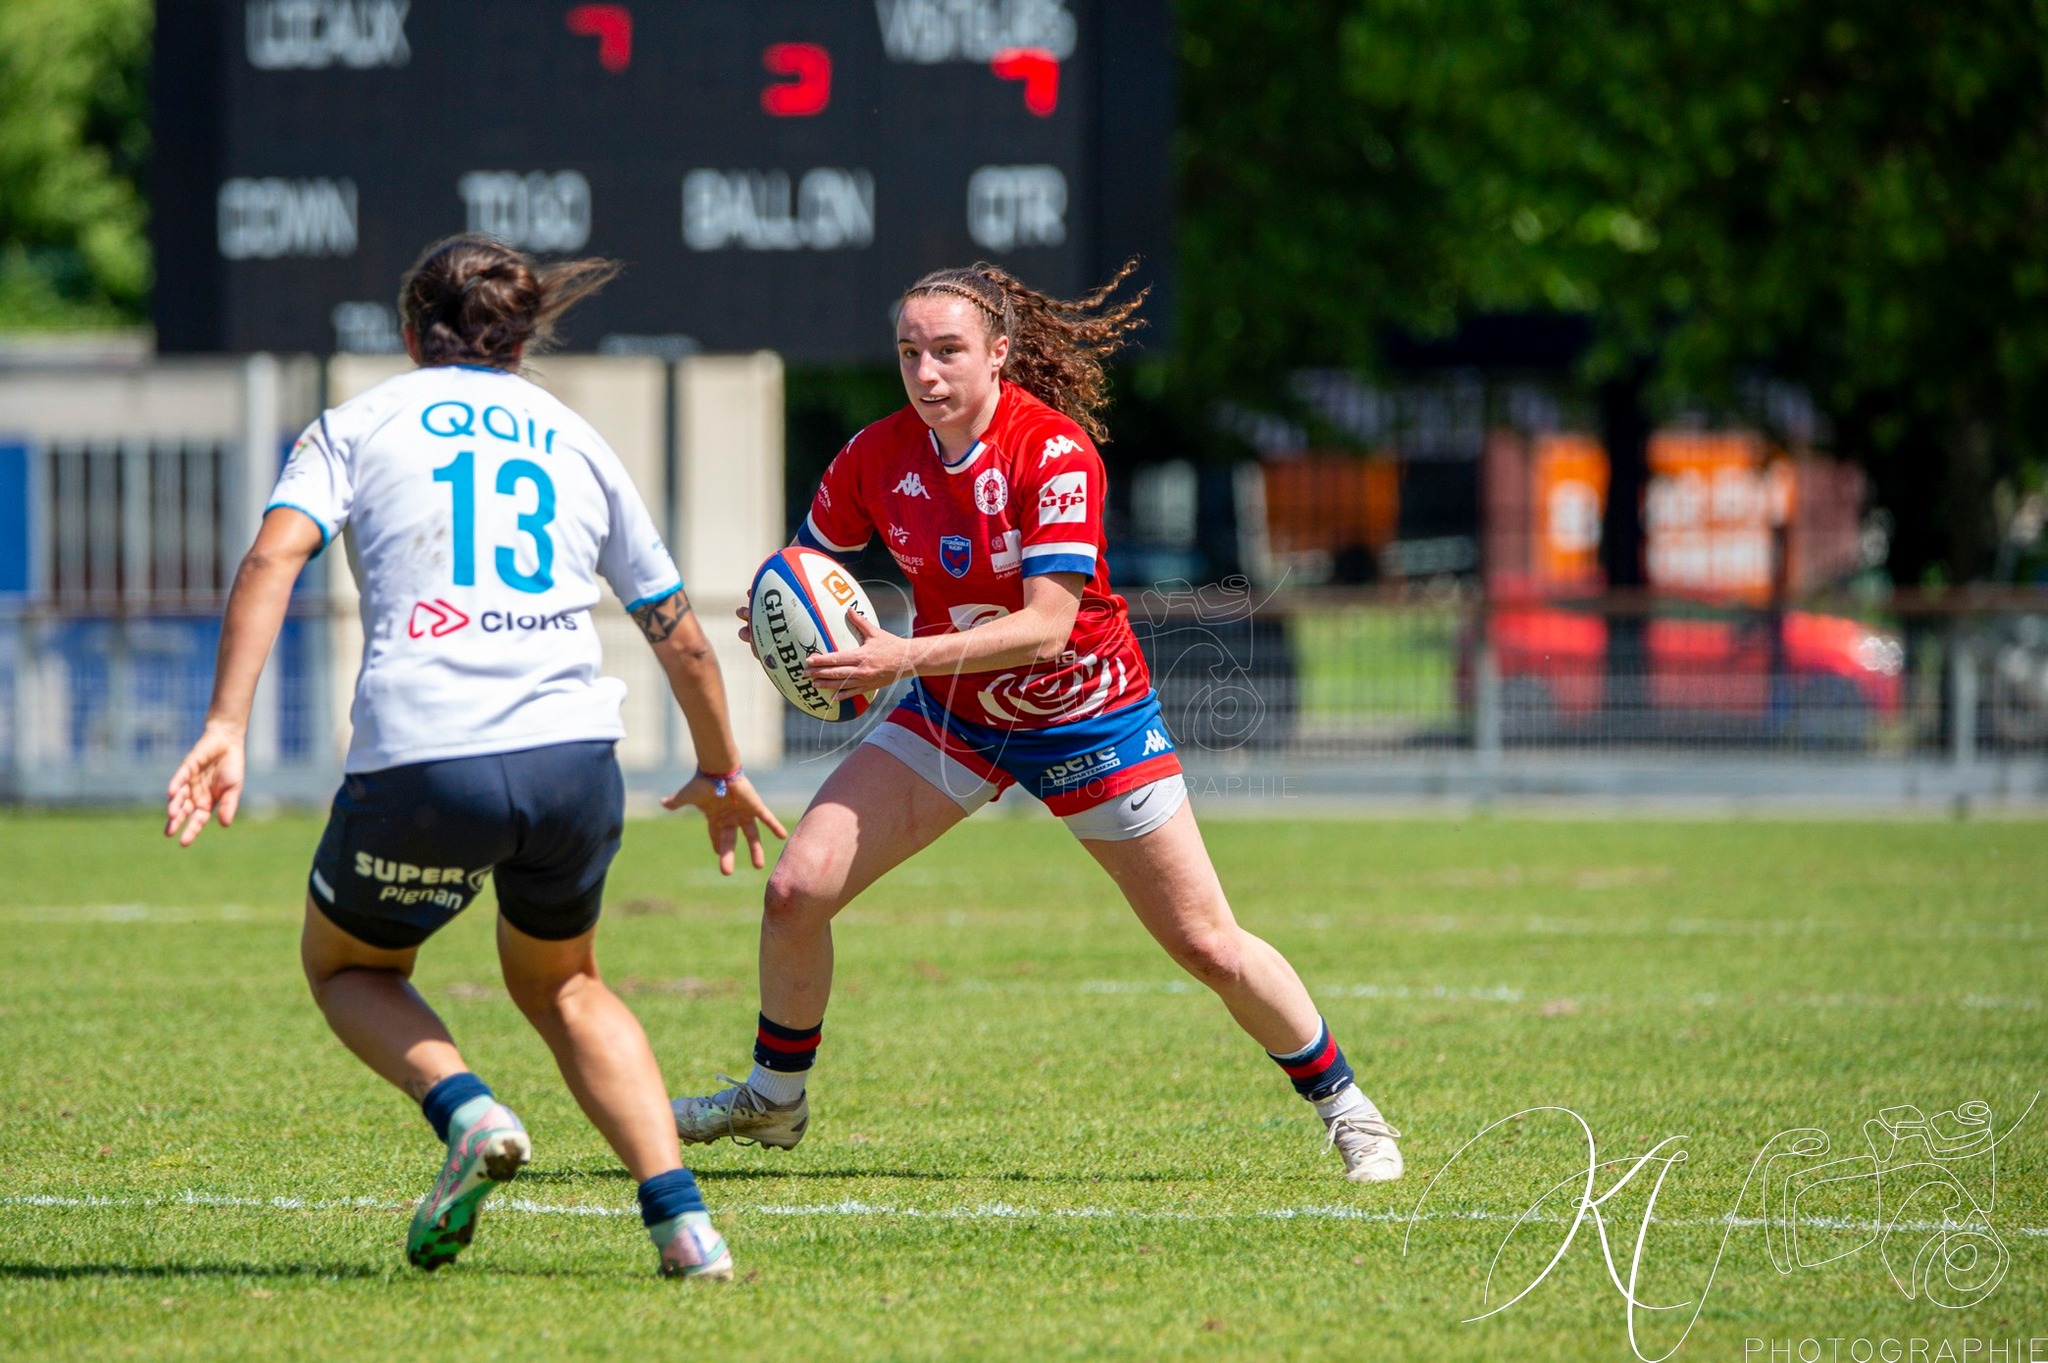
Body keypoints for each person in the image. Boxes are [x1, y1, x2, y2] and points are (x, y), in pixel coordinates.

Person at [670, 261, 1403, 1183]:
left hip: (1086, 716)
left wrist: (896, 655)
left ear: (1000, 353)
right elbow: (807, 567)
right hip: (956, 717)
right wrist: (775, 617)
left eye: (948, 351)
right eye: (910, 353)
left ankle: (1349, 1109)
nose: (926, 373)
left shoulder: (1053, 453)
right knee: (797, 889)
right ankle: (775, 1096)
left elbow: (1047, 625)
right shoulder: (875, 455)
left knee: (1207, 944)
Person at [163, 234, 786, 1280]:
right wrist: (722, 771)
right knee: (568, 984)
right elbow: (676, 628)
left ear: (409, 333)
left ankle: (467, 1111)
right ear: (523, 339)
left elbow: (276, 552)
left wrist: (226, 724)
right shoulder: (575, 438)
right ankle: (686, 1228)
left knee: (349, 964)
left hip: (427, 755)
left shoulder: (355, 424)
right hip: (571, 757)